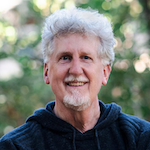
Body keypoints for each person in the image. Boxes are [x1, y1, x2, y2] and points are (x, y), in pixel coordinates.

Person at [0, 7, 150, 150]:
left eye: (86, 57)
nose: (76, 70)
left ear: (105, 72)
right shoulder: (14, 146)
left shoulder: (140, 139)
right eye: (65, 58)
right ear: (46, 72)